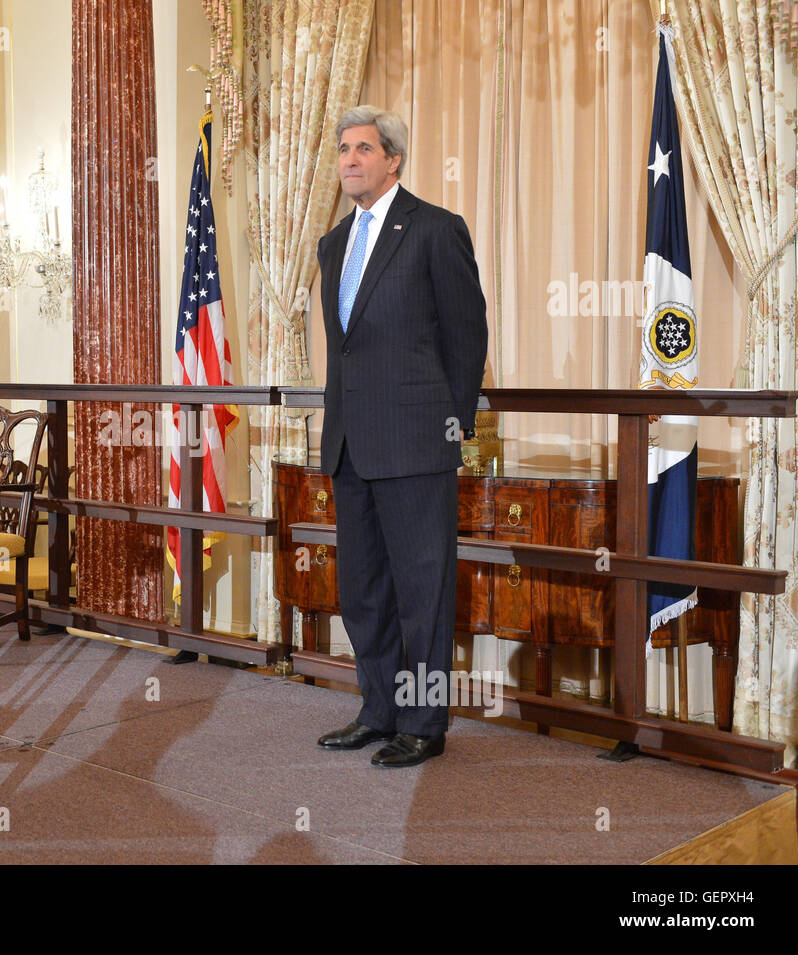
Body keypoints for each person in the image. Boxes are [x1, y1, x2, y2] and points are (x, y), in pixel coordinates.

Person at [315, 106, 488, 767]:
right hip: (350, 446)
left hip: (417, 443)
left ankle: (424, 722)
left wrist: (453, 424)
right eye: (342, 150)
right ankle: (379, 709)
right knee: (363, 591)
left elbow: (466, 334)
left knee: (423, 593)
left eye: (363, 148)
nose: (349, 159)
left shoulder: (435, 231)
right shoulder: (333, 244)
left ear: (393, 159)